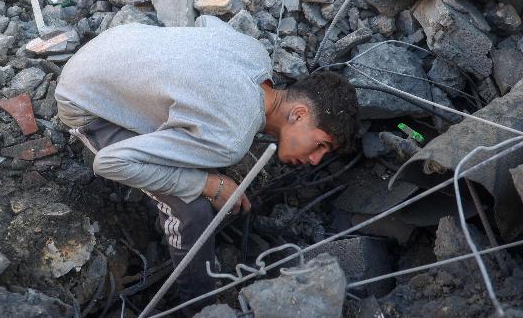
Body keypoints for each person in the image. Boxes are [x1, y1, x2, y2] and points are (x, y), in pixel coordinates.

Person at [54, 15, 359, 308]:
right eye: (320, 145)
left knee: (198, 157)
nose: (315, 158)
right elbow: (109, 163)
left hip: (112, 43)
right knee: (193, 210)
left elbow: (206, 22)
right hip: (84, 101)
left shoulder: (254, 53)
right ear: (299, 114)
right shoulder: (230, 139)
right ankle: (196, 303)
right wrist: (207, 183)